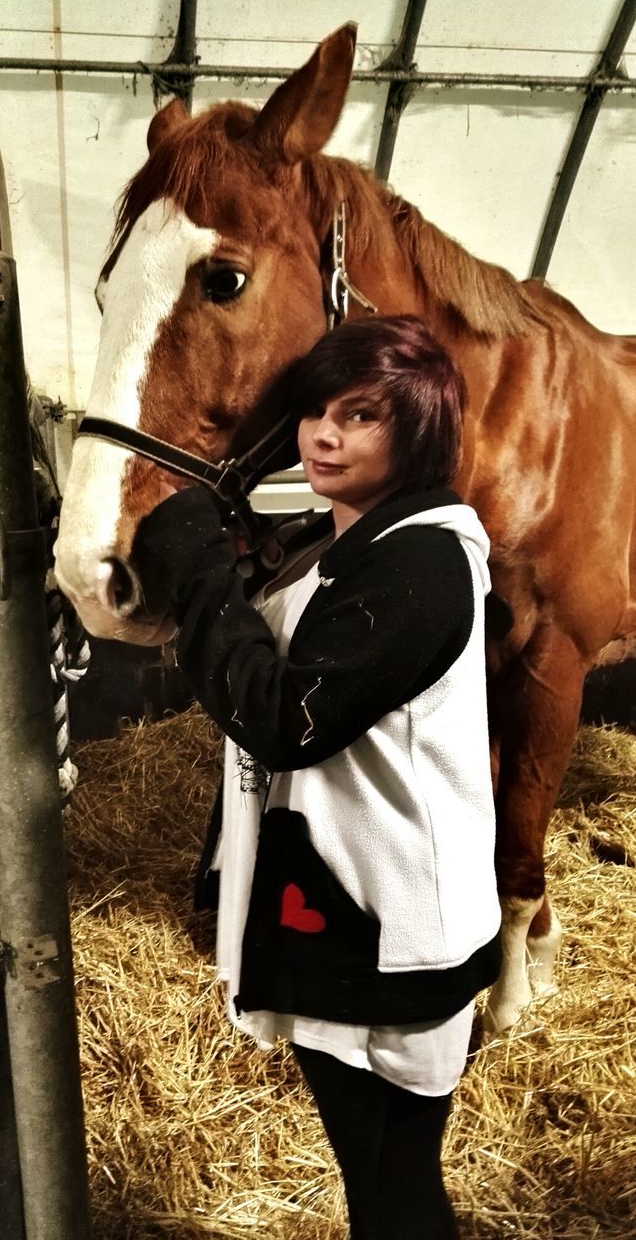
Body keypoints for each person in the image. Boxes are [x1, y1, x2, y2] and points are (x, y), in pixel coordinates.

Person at [135, 315, 502, 1240]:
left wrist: (197, 572)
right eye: (314, 412)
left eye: (362, 415)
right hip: (350, 908)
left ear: (418, 429)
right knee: (375, 1177)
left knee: (394, 1188)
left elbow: (282, 719)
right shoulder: (347, 541)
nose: (324, 435)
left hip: (387, 926)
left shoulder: (423, 563)